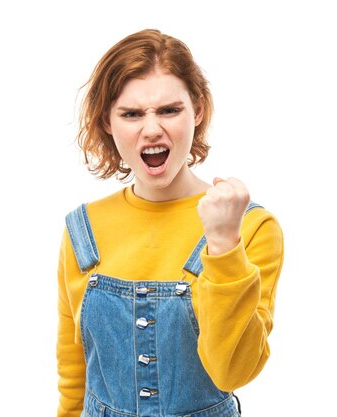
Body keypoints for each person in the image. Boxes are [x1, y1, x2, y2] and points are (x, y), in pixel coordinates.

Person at [57, 29, 284, 417]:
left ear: (197, 111)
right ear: (108, 122)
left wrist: (224, 244)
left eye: (169, 110)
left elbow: (233, 371)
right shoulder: (83, 228)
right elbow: (73, 362)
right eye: (131, 114)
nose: (151, 129)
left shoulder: (250, 228)